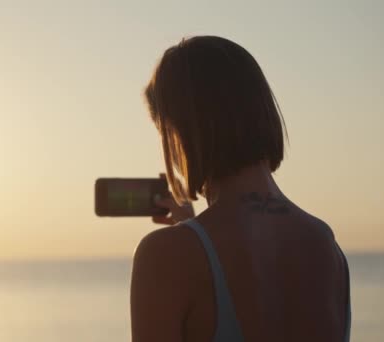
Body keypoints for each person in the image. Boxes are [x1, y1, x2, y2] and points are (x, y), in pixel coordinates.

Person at [131, 36, 351, 342]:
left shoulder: (165, 257)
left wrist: (191, 237)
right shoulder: (326, 246)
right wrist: (191, 230)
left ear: (178, 132)